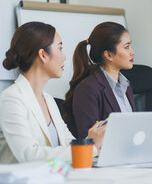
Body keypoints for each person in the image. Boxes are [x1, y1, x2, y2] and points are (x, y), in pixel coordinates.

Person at [0, 22, 105, 163]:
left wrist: (92, 141)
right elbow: (28, 155)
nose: (64, 57)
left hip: (55, 178)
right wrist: (90, 147)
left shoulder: (48, 99)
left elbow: (68, 144)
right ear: (43, 55)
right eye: (60, 48)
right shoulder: (11, 99)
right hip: (24, 183)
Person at [63, 22, 136, 139]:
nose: (132, 52)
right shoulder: (88, 88)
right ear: (108, 55)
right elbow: (88, 139)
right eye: (126, 47)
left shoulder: (126, 85)